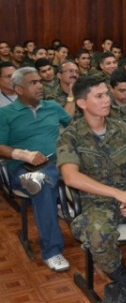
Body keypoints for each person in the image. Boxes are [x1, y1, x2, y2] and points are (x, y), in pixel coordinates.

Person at [57, 76, 126, 302]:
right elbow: (70, 176)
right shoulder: (70, 136)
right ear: (82, 103)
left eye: (106, 94)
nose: (107, 100)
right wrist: (118, 194)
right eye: (99, 96)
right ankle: (125, 278)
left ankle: (124, 288)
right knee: (99, 235)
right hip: (96, 202)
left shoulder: (123, 129)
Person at [0, 67, 71, 271]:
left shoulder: (53, 107)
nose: (40, 85)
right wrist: (22, 154)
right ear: (19, 89)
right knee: (40, 183)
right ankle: (52, 251)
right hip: (23, 168)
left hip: (57, 161)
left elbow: (73, 126)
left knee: (79, 169)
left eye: (40, 81)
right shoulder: (5, 114)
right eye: (33, 83)